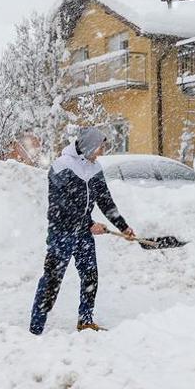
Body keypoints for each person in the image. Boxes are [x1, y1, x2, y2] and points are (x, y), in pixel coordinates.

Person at [29, 128, 134, 334]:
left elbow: (105, 200)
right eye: (99, 147)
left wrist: (123, 226)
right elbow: (62, 206)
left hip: (83, 233)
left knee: (90, 276)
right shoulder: (62, 167)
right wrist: (89, 224)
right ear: (88, 146)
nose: (101, 152)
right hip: (62, 232)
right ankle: (36, 327)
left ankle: (85, 321)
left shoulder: (94, 168)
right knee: (52, 279)